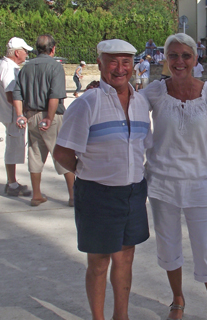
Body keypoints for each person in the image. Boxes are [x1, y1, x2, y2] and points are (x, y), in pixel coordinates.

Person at [53, 39, 151, 320]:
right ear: (99, 63)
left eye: (126, 62)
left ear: (133, 65)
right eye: (113, 61)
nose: (119, 69)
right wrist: (89, 170)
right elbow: (62, 152)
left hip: (133, 193)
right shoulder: (87, 104)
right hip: (97, 194)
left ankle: (122, 316)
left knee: (125, 258)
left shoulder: (141, 102)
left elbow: (144, 144)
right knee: (98, 263)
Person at [141, 33, 207, 320]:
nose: (179, 62)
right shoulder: (153, 91)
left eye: (185, 56)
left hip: (199, 182)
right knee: (168, 244)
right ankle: (177, 299)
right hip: (162, 182)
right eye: (173, 55)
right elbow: (128, 109)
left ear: (195, 59)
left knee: (205, 246)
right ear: (165, 58)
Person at [12, 34, 75, 207]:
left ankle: (37, 195)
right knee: (63, 154)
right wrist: (49, 117)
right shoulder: (55, 67)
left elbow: (17, 95)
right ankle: (73, 196)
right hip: (51, 116)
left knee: (35, 154)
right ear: (53, 49)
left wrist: (20, 115)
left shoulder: (25, 68)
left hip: (31, 115)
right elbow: (55, 95)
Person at [0, 37, 33, 197]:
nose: (26, 54)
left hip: (9, 114)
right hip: (12, 115)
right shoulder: (9, 69)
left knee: (13, 147)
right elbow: (12, 95)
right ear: (17, 52)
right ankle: (12, 183)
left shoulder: (7, 66)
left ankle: (12, 181)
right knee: (12, 148)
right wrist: (21, 114)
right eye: (24, 51)